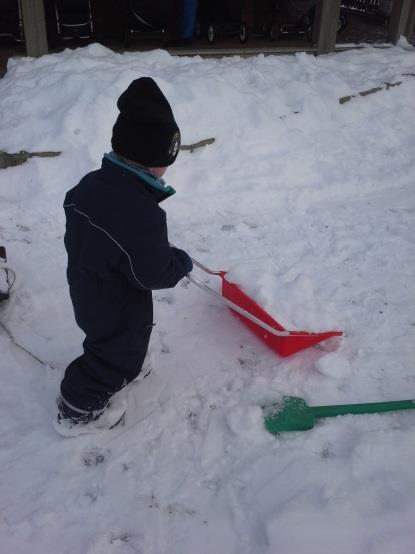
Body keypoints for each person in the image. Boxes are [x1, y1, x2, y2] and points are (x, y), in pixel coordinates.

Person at [55, 77, 193, 436]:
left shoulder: (89, 186)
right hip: (117, 300)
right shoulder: (140, 214)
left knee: (109, 342)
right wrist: (179, 263)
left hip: (89, 286)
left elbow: (109, 239)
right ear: (151, 162)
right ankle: (77, 408)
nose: (167, 169)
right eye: (166, 162)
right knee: (113, 355)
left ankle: (126, 366)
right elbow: (152, 273)